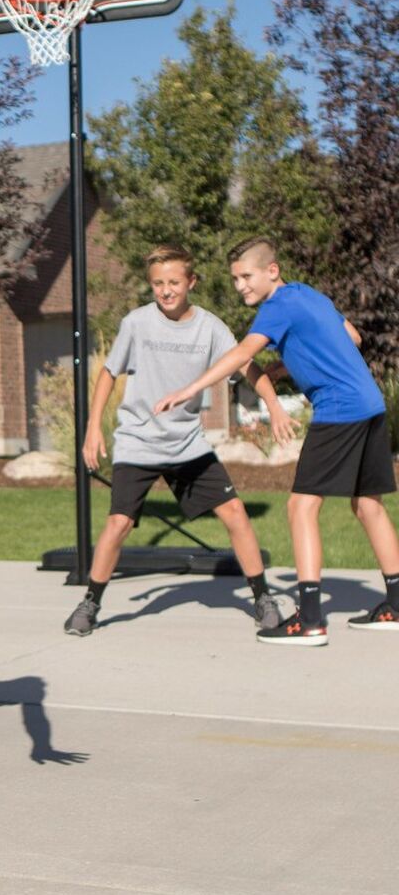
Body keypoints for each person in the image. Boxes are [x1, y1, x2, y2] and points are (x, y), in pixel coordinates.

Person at [154, 237, 399, 646]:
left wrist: (189, 389)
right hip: (370, 404)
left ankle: (310, 620)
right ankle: (396, 604)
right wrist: (290, 366)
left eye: (246, 276)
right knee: (368, 505)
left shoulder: (276, 307)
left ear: (272, 270)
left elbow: (242, 354)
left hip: (339, 410)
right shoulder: (308, 295)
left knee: (301, 507)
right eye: (235, 279)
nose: (240, 286)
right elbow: (353, 337)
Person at [64, 244, 295, 637]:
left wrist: (274, 405)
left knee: (235, 512)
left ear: (192, 282)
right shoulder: (137, 323)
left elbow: (246, 364)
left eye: (173, 282)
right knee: (119, 522)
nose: (165, 290)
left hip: (187, 444)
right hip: (138, 441)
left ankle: (262, 599)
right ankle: (90, 603)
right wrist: (92, 428)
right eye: (158, 283)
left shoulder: (210, 327)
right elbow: (108, 373)